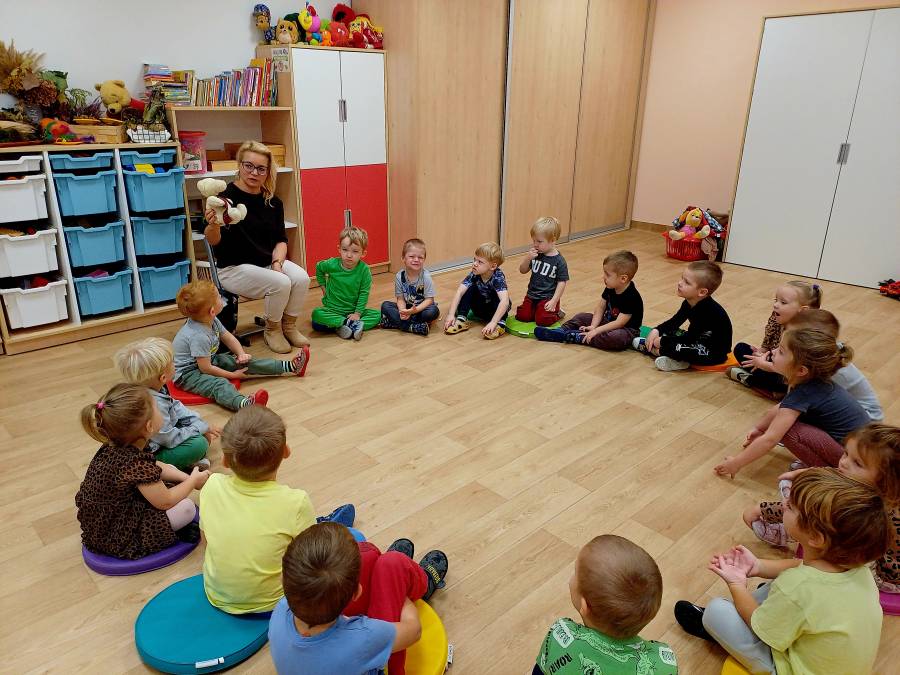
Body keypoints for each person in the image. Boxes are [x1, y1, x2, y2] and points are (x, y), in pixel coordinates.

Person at [675, 469, 889, 675]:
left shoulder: (798, 588)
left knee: (716, 612)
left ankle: (716, 631)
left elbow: (758, 625)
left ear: (816, 537)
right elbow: (799, 567)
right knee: (781, 585)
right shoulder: (859, 570)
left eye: (792, 506)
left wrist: (736, 584)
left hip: (793, 668)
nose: (784, 504)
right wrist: (758, 566)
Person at [200, 407, 355, 614]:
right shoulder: (296, 502)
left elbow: (206, 541)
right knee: (353, 539)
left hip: (216, 592)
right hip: (273, 603)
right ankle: (325, 526)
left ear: (225, 461)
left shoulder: (212, 485)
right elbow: (309, 562)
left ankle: (319, 526)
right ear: (286, 452)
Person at [269, 522, 449, 675]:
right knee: (392, 565)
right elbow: (414, 631)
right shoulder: (363, 637)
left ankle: (386, 568)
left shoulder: (279, 611)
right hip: (366, 660)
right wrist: (399, 593)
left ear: (283, 580)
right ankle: (423, 581)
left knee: (367, 555)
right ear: (356, 593)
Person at [743, 423, 900, 593]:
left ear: (886, 482)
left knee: (815, 549)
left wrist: (763, 509)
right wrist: (809, 475)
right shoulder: (875, 489)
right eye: (846, 453)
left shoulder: (860, 507)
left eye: (857, 463)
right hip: (867, 548)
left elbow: (809, 508)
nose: (843, 463)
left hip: (881, 575)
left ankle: (785, 533)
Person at [75, 383, 209, 559]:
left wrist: (186, 478)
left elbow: (154, 465)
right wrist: (192, 482)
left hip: (106, 520)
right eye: (157, 408)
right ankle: (166, 535)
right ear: (149, 426)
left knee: (170, 473)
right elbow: (166, 502)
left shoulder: (117, 445)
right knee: (187, 508)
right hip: (119, 536)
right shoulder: (134, 462)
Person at [714, 328, 869, 478]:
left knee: (787, 431)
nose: (774, 351)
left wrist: (736, 463)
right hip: (860, 454)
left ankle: (828, 474)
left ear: (801, 370)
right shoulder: (812, 382)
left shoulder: (804, 391)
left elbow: (771, 439)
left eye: (781, 351)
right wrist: (759, 428)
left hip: (853, 463)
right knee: (785, 420)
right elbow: (781, 407)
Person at [204, 140, 310, 354]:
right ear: (240, 165)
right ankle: (272, 330)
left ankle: (288, 326)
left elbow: (281, 240)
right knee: (280, 282)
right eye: (249, 166)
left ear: (268, 171)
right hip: (233, 268)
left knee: (301, 278)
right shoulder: (224, 200)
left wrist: (277, 264)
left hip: (265, 264)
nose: (254, 172)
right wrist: (213, 224)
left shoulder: (273, 202)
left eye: (261, 168)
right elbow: (212, 241)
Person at [532, 534, 677, 675]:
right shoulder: (663, 664)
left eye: (575, 572)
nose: (571, 577)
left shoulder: (561, 637)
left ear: (585, 606)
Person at [173, 280, 310, 412]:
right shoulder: (199, 336)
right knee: (219, 384)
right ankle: (244, 404)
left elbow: (228, 337)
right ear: (212, 311)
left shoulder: (211, 320)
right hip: (188, 374)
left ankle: (291, 367)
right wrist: (232, 375)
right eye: (219, 297)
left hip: (208, 360)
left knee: (244, 362)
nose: (222, 298)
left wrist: (241, 354)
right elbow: (206, 368)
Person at [114, 337, 218, 471]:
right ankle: (182, 466)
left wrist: (198, 423)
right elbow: (168, 438)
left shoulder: (154, 387)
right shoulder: (153, 403)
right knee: (200, 443)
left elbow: (175, 406)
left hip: (161, 437)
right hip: (152, 454)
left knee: (202, 431)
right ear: (163, 377)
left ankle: (190, 460)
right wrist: (199, 428)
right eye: (173, 362)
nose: (175, 364)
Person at [728, 280, 822, 397]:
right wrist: (761, 353)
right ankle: (761, 382)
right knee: (741, 348)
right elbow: (768, 343)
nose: (776, 305)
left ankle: (751, 380)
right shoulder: (777, 318)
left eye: (783, 302)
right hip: (774, 362)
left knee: (780, 381)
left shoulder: (804, 337)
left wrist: (763, 364)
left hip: (790, 377)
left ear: (803, 310)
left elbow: (792, 371)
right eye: (776, 300)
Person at [634, 261, 732, 371]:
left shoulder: (708, 311)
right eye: (682, 278)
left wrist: (663, 341)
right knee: (672, 333)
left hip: (712, 352)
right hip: (695, 339)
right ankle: (671, 356)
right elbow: (675, 322)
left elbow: (691, 338)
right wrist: (656, 330)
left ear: (702, 292)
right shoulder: (688, 302)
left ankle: (655, 350)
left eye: (687, 282)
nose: (680, 283)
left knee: (680, 348)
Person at [534, 250, 642, 350]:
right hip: (607, 322)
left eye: (607, 275)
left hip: (625, 330)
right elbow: (600, 307)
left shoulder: (631, 297)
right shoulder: (611, 287)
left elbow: (619, 323)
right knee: (581, 316)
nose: (603, 277)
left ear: (623, 278)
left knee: (616, 338)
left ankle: (578, 337)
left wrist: (596, 331)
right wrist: (593, 326)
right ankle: (561, 331)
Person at [789, 309, 883, 421]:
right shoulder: (821, 358)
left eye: (794, 337)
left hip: (865, 421)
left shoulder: (832, 370)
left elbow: (807, 397)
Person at [311, 226, 381, 340]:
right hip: (332, 310)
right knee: (316, 315)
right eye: (345, 250)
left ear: (363, 253)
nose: (349, 255)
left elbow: (364, 293)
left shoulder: (364, 270)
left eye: (355, 251)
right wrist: (323, 287)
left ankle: (340, 326)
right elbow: (319, 268)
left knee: (377, 315)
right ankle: (348, 324)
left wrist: (357, 314)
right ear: (339, 249)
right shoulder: (331, 264)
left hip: (352, 311)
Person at [444, 242, 511, 340]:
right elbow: (459, 292)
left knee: (501, 297)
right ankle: (461, 319)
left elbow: (505, 301)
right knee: (469, 287)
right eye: (475, 259)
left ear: (493, 266)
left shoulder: (498, 277)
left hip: (494, 311)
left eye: (480, 262)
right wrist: (451, 315)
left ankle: (500, 324)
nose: (474, 264)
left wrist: (493, 322)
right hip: (480, 309)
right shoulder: (475, 273)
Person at [515, 217, 569, 327]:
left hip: (547, 297)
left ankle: (557, 313)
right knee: (522, 316)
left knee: (543, 321)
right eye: (534, 241)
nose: (535, 244)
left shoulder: (559, 261)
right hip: (531, 295)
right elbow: (522, 270)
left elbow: (562, 283)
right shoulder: (535, 255)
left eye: (539, 241)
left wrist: (554, 301)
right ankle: (536, 310)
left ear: (553, 240)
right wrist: (528, 258)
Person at [380, 238, 439, 336]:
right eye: (412, 256)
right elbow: (400, 299)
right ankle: (413, 327)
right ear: (403, 258)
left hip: (421, 309)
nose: (416, 260)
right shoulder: (399, 276)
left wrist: (415, 311)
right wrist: (403, 311)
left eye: (420, 257)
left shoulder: (426, 277)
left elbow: (429, 300)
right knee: (385, 305)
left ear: (424, 259)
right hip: (407, 307)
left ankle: (396, 323)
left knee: (433, 312)